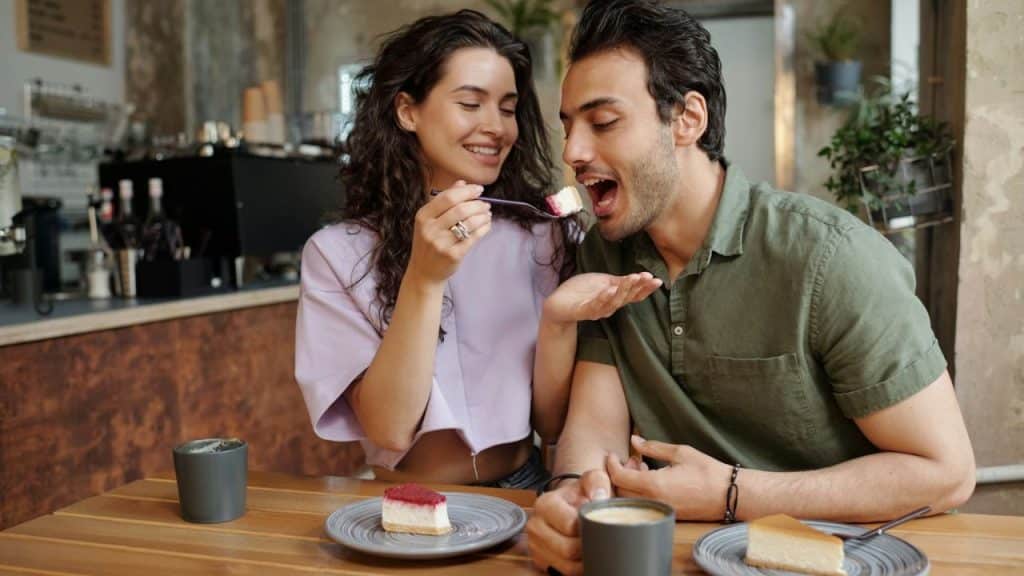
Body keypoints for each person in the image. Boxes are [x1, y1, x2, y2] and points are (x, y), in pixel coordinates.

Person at [526, 1, 976, 573]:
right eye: (568, 126)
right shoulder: (603, 251)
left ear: (688, 118)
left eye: (604, 122)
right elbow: (594, 427)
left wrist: (732, 493)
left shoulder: (830, 257)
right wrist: (572, 494)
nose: (573, 153)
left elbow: (948, 471)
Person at [294, 9, 660, 491]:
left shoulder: (543, 236)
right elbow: (389, 427)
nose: (496, 127)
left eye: (507, 108)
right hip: (405, 497)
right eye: (471, 103)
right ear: (407, 111)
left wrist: (557, 321)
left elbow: (549, 424)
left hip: (525, 486)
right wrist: (424, 278)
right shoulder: (335, 256)